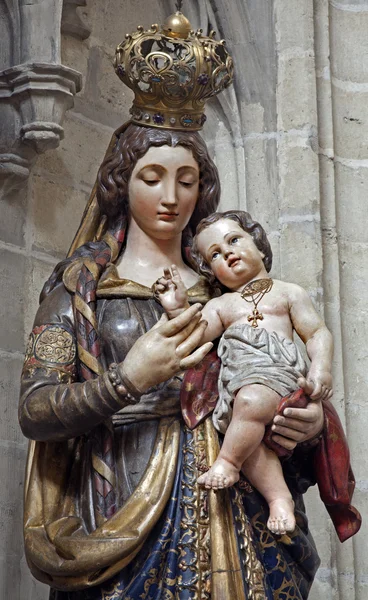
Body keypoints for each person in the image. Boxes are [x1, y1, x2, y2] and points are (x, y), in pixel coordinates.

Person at [18, 10, 351, 600]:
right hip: (124, 506)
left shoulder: (232, 287)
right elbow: (37, 410)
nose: (171, 197)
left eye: (187, 180)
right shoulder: (81, 288)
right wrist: (125, 381)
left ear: (204, 188)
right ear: (122, 182)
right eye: (152, 176)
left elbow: (284, 366)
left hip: (242, 508)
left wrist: (307, 423)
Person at [155, 210, 333, 535]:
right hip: (239, 385)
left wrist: (321, 369)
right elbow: (194, 336)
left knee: (250, 406)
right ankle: (279, 498)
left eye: (234, 240)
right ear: (212, 272)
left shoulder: (288, 292)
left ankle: (227, 464)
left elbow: (317, 333)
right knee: (247, 439)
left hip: (279, 379)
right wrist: (177, 308)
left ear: (260, 246)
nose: (228, 253)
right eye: (216, 255)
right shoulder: (222, 306)